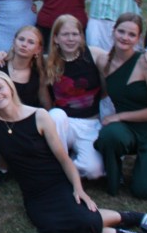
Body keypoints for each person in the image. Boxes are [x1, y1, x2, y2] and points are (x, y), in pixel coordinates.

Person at [0, 71, 147, 233]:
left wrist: (78, 188)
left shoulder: (39, 116)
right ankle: (136, 226)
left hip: (57, 182)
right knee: (55, 229)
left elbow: (64, 158)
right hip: (34, 193)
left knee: (83, 220)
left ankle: (136, 227)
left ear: (10, 88)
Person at [94, 14, 147, 199]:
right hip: (127, 129)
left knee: (145, 190)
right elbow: (76, 48)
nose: (125, 37)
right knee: (108, 135)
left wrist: (119, 116)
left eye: (132, 34)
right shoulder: (103, 61)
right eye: (121, 31)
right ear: (113, 31)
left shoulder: (146, 62)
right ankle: (114, 178)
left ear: (138, 39)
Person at [45, 14, 106, 181]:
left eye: (75, 34)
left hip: (90, 123)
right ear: (56, 38)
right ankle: (60, 160)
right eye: (65, 34)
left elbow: (121, 58)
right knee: (55, 115)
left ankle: (60, 166)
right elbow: (18, 59)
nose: (71, 39)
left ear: (81, 36)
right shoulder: (48, 61)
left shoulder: (94, 54)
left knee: (94, 171)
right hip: (64, 123)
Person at [0, 25, 52, 110]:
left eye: (31, 42)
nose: (24, 44)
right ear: (14, 42)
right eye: (21, 39)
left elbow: (46, 103)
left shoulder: (38, 73)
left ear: (38, 49)